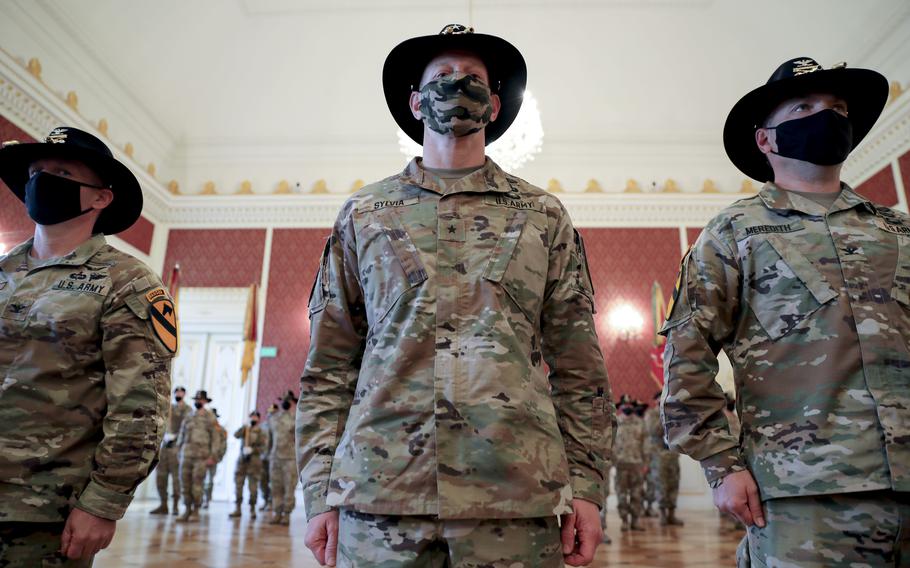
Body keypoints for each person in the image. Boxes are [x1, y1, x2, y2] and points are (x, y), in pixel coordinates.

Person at [297, 24, 613, 568]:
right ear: (416, 101)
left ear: (493, 104)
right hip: (380, 496)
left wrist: (586, 487)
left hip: (514, 497)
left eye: (473, 79)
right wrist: (320, 491)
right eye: (441, 76)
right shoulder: (364, 215)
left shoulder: (542, 216)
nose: (456, 85)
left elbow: (579, 366)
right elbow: (329, 363)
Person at [661, 57, 910, 565]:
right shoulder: (732, 234)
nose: (827, 115)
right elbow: (685, 357)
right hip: (804, 493)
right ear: (766, 140)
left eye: (837, 107)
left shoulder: (898, 232)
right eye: (804, 106)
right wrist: (720, 464)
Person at [0, 126, 175, 566]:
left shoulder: (127, 282)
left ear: (100, 198)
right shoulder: (2, 270)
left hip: (41, 511)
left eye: (60, 171)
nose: (42, 179)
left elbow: (140, 406)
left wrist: (104, 501)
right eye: (36, 170)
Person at [177, 390, 217, 522]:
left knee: (197, 484)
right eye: (196, 400)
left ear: (205, 402)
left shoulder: (210, 417)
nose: (197, 402)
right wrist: (178, 450)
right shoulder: (189, 416)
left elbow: (215, 438)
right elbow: (182, 434)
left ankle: (196, 510)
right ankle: (186, 509)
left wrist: (213, 456)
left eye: (200, 400)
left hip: (201, 456)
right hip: (187, 454)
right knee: (185, 483)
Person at [644, 393, 683, 526]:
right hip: (658, 455)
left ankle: (672, 514)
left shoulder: (673, 412)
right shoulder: (651, 414)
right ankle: (662, 515)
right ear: (656, 401)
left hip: (672, 454)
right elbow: (653, 431)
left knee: (674, 483)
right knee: (661, 484)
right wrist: (663, 415)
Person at [151, 386, 190, 515]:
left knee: (176, 478)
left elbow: (188, 429)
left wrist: (177, 437)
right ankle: (163, 504)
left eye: (180, 392)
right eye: (176, 392)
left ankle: (175, 506)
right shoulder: (168, 408)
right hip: (164, 448)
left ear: (184, 394)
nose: (178, 394)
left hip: (176, 449)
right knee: (161, 477)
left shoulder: (188, 410)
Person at [614, 395, 646, 532]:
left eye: (629, 405)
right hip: (621, 465)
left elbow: (646, 444)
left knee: (637, 494)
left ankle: (636, 521)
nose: (627, 407)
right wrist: (613, 461)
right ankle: (624, 521)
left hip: (637, 464)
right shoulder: (615, 423)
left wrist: (647, 463)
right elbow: (611, 445)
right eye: (624, 405)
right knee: (621, 495)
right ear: (620, 407)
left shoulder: (640, 423)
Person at [230, 410, 267, 519]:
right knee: (238, 485)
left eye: (255, 417)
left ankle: (252, 509)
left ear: (259, 419)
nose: (253, 419)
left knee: (253, 487)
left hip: (254, 462)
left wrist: (253, 450)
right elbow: (236, 435)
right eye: (252, 417)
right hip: (242, 462)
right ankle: (237, 508)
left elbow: (263, 447)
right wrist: (244, 427)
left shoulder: (261, 431)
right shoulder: (245, 429)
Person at [269, 392, 298, 526]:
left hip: (290, 458)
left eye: (288, 400)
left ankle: (286, 514)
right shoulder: (273, 418)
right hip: (275, 458)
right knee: (276, 486)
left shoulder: (296, 419)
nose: (285, 402)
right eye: (283, 400)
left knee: (289, 487)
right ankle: (277, 512)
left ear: (292, 402)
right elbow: (269, 438)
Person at [202, 408, 228, 509]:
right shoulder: (203, 428)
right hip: (201, 457)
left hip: (213, 458)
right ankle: (197, 499)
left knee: (209, 480)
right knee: (199, 479)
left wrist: (216, 458)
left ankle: (206, 500)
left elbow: (223, 446)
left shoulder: (221, 430)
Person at [259, 403, 278, 512]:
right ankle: (265, 500)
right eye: (269, 413)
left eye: (273, 413)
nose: (271, 415)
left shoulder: (278, 427)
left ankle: (271, 502)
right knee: (263, 481)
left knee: (273, 481)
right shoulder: (262, 426)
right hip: (262, 458)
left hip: (274, 458)